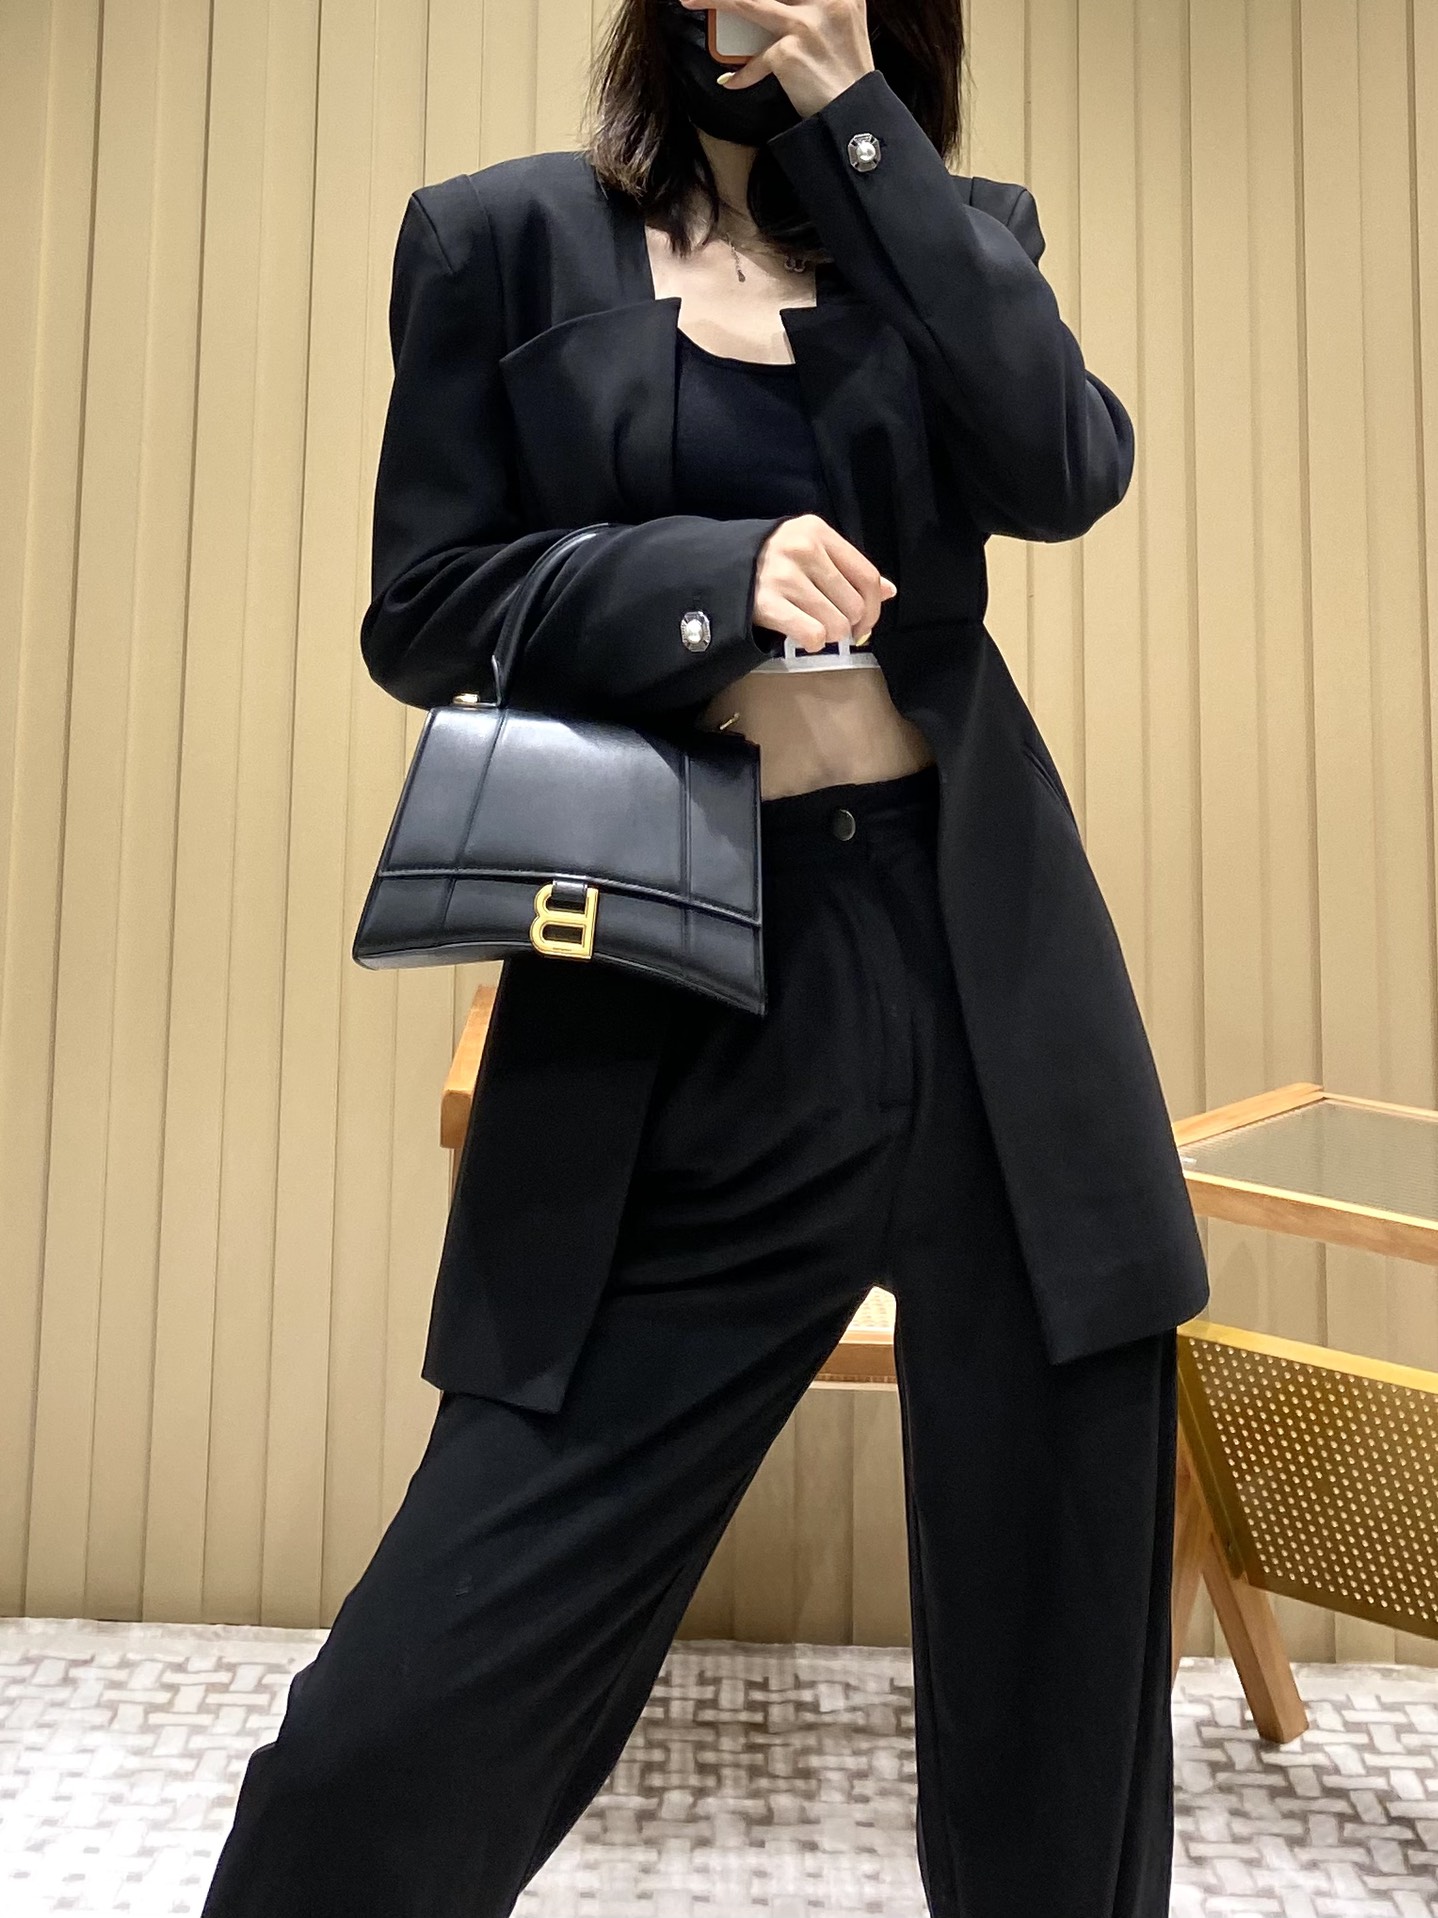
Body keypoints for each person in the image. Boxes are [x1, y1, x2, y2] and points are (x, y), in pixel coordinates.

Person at [200, 2, 1209, 1914]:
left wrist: (851, 113)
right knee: (411, 1704)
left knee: (1060, 1668)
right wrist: (702, 578)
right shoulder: (503, 237)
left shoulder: (955, 231)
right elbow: (424, 609)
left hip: (981, 971)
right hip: (683, 988)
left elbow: (1060, 465)